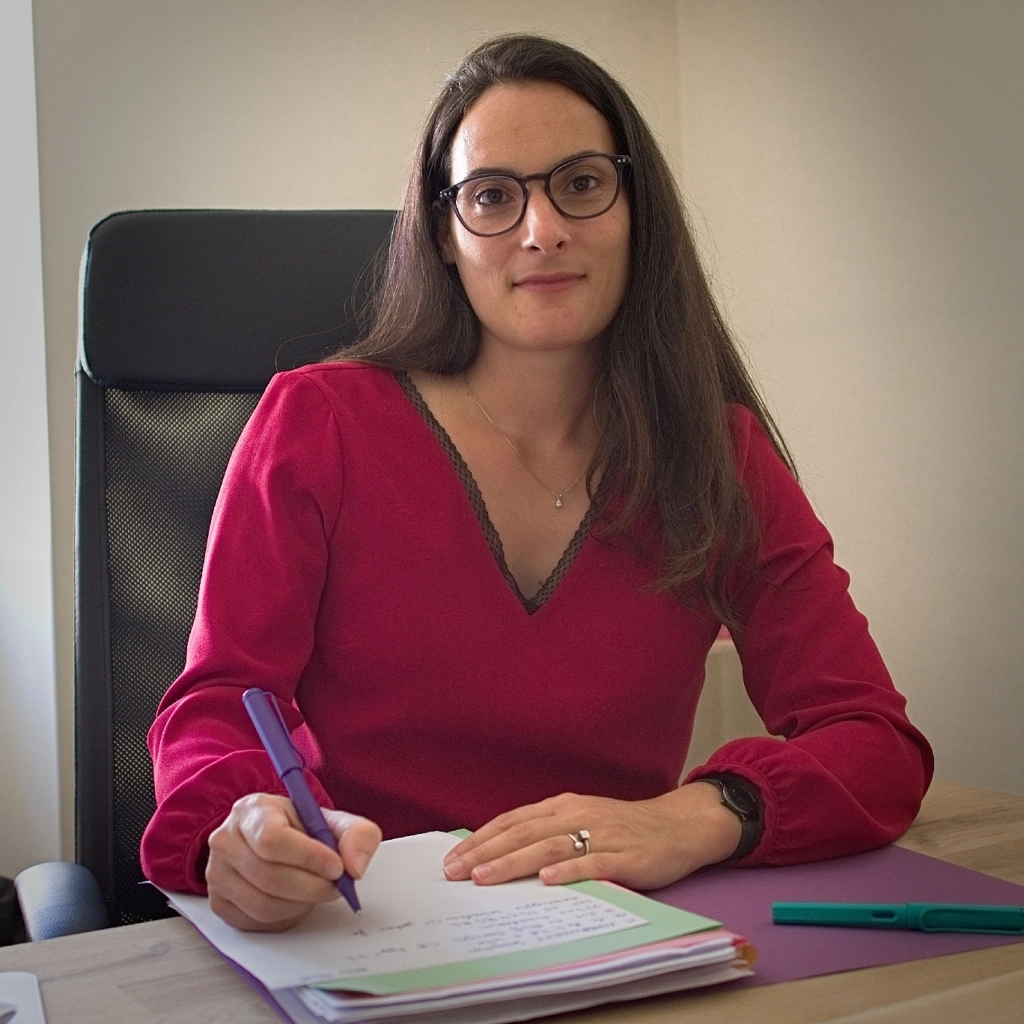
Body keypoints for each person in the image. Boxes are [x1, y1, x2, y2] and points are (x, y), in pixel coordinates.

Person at [140, 34, 933, 933]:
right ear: (444, 234)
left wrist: (698, 815)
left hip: (617, 939)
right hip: (361, 932)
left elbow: (873, 742)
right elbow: (217, 703)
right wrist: (244, 829)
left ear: (636, 210)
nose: (542, 229)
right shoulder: (316, 423)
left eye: (582, 184)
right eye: (492, 196)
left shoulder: (720, 457)